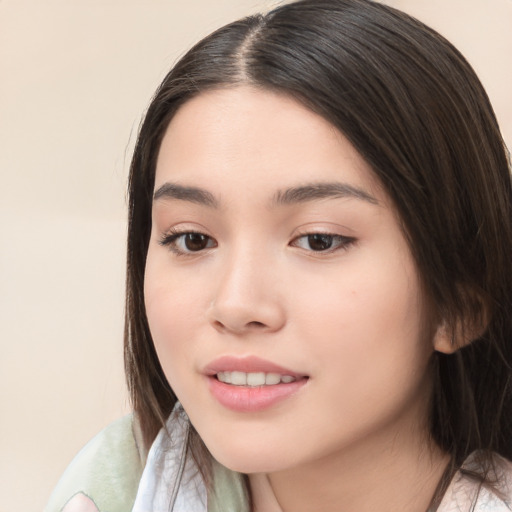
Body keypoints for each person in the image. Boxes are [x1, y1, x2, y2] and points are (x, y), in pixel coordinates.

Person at [45, 0, 512, 511]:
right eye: (192, 239)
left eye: (318, 240)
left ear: (461, 303)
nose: (237, 304)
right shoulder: (112, 489)